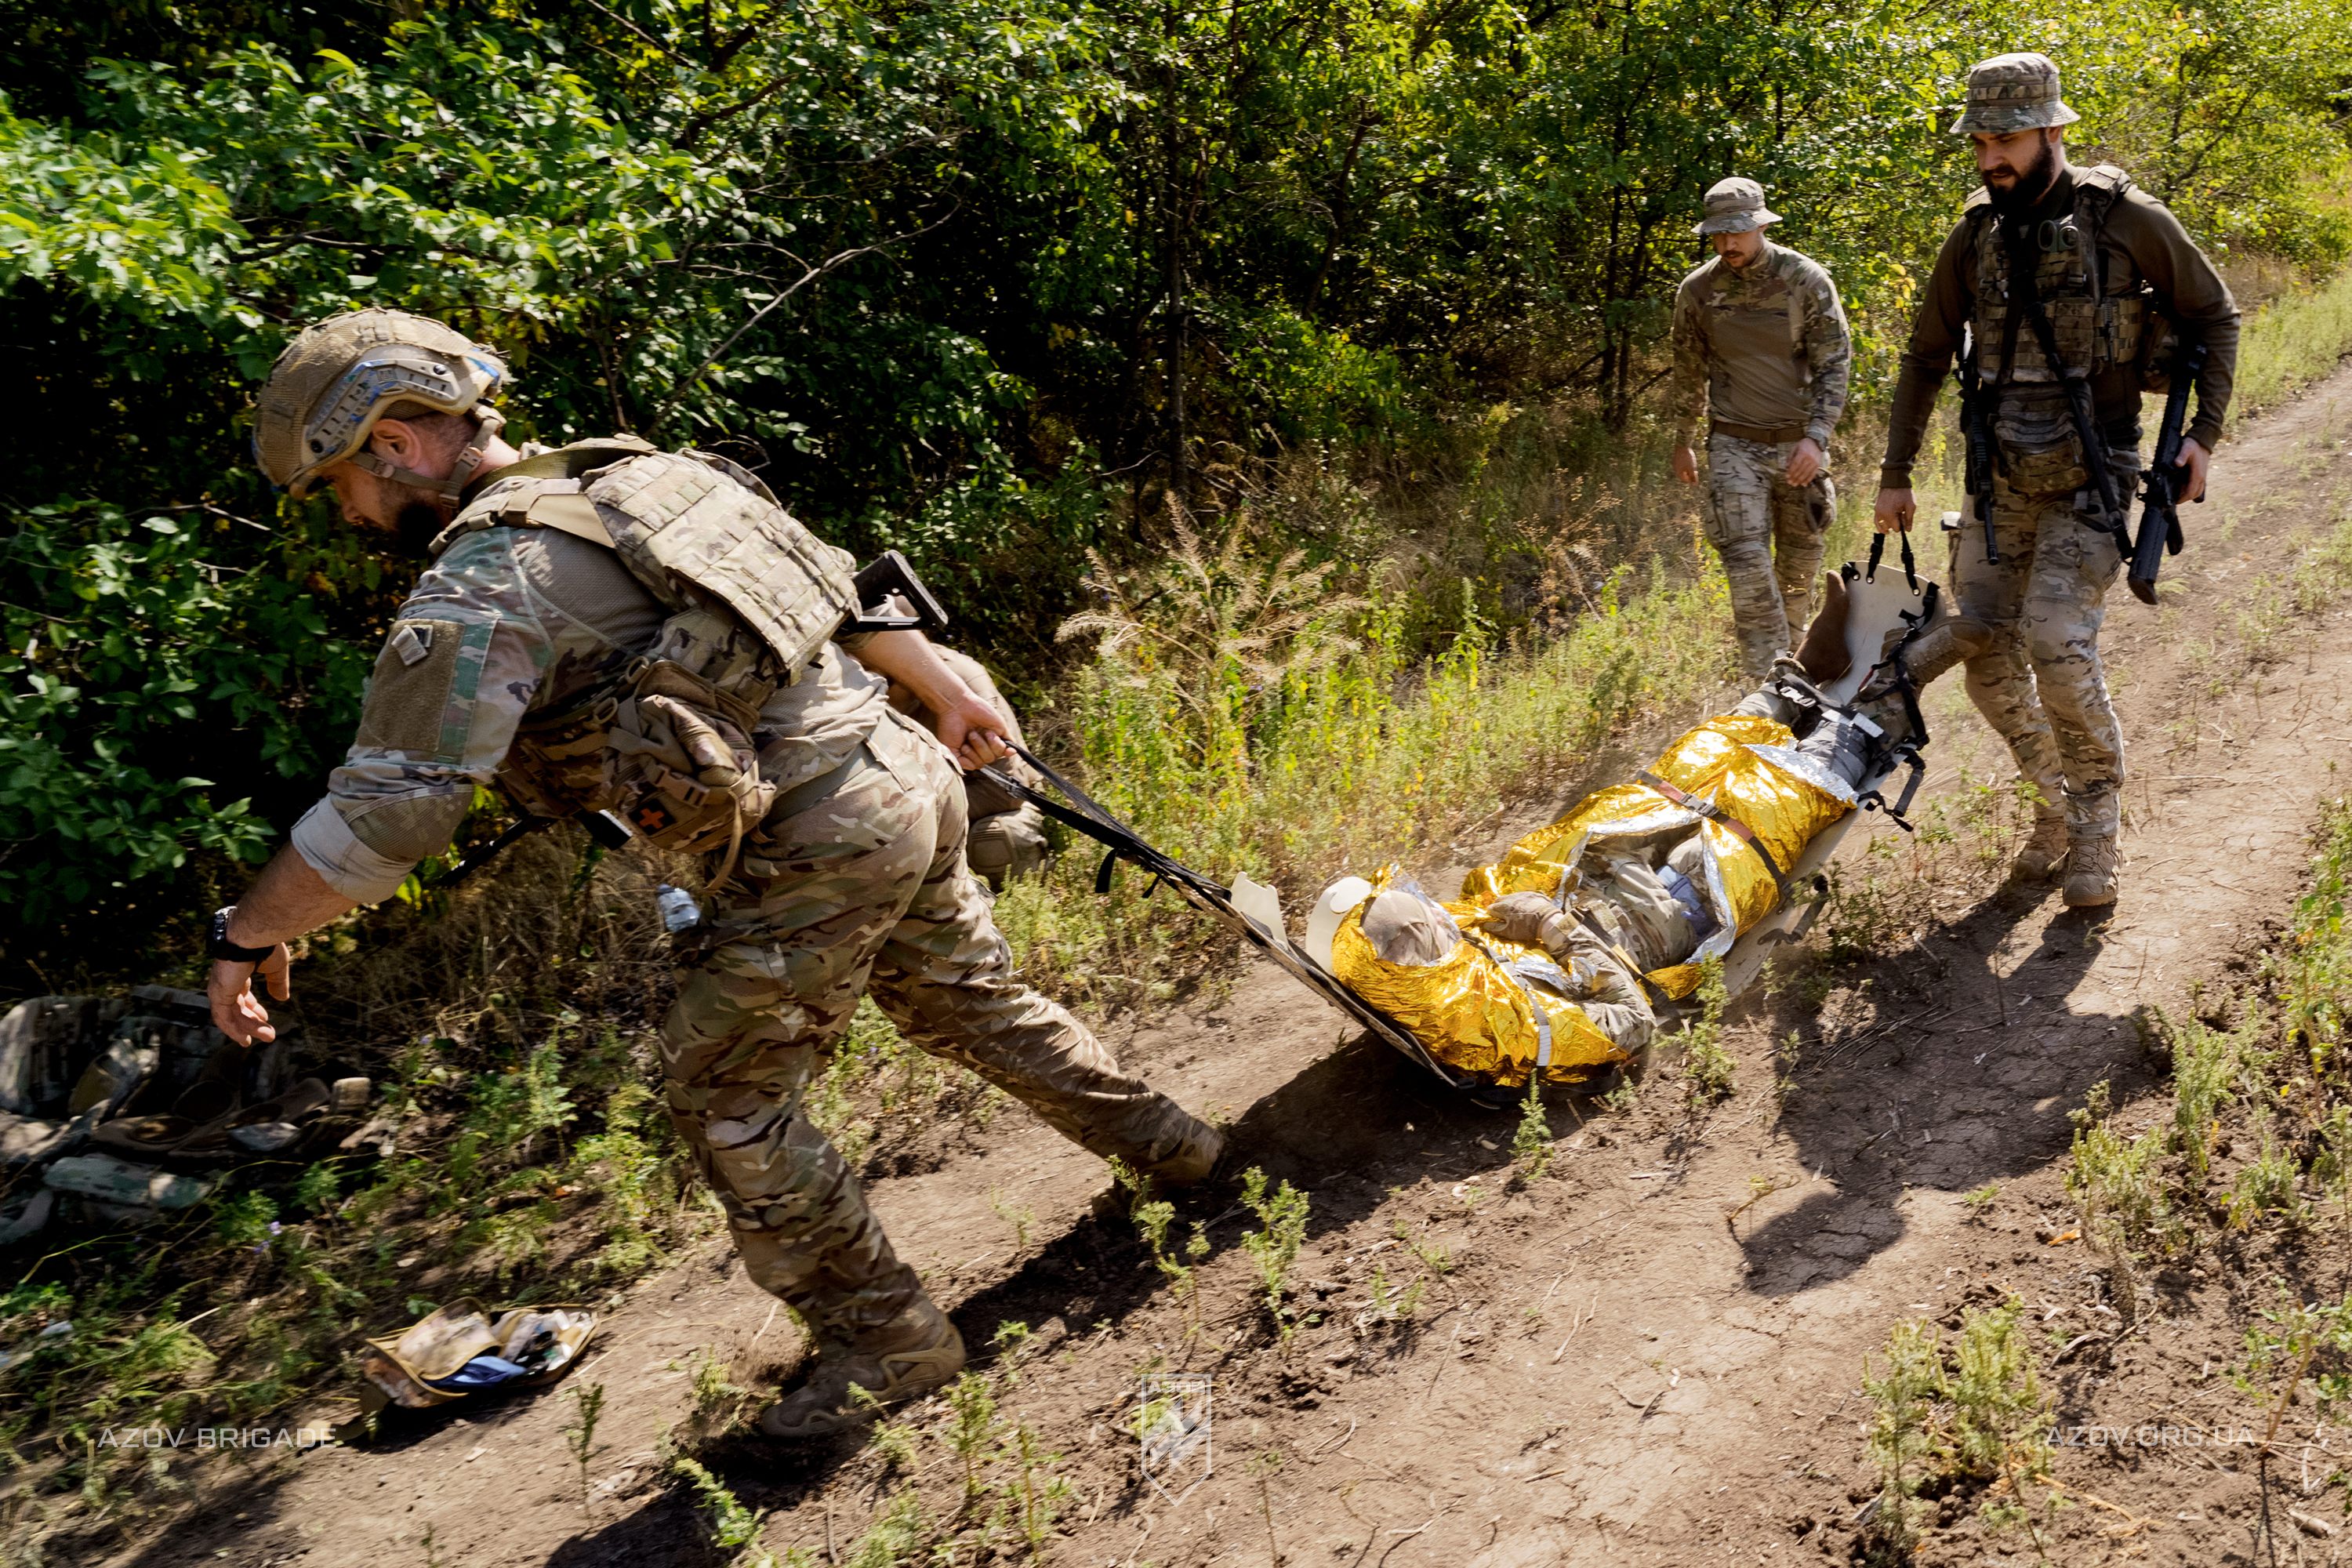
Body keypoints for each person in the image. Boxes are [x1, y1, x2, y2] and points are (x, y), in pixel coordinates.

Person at [205, 309, 1221, 1438]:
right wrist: (942, 691)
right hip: (898, 770)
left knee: (725, 1094)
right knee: (966, 998)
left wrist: (248, 932)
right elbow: (839, 593)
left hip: (815, 835)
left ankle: (889, 1346)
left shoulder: (485, 587)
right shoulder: (645, 480)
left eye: (339, 482)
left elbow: (393, 813)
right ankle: (1176, 1151)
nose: (348, 512)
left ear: (396, 441)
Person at [1871, 52, 2240, 907]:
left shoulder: (2125, 219)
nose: (1990, 156)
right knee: (1986, 658)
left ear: (2053, 131)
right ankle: (2053, 807)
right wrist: (1894, 474)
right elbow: (1925, 355)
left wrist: (2203, 437)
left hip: (2091, 471)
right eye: (1981, 141)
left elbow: (2213, 313)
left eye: (2005, 139)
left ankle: (2097, 828)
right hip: (1998, 480)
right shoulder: (1974, 235)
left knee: (2055, 645)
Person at [1668, 177, 1855, 678]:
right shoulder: (1699, 292)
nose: (1729, 243)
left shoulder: (1805, 281)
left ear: (1762, 226)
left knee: (1797, 577)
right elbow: (1688, 371)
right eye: (1719, 235)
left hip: (1798, 447)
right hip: (1734, 445)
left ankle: (1797, 675)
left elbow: (1835, 363)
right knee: (1748, 573)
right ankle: (1769, 688)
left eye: (1738, 232)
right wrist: (1683, 440)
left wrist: (1816, 439)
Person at [868, 644, 1050, 892]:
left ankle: (1022, 895)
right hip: (905, 804)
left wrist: (911, 818)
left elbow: (1004, 794)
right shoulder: (842, 681)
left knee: (997, 840)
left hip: (988, 804)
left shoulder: (958, 680)